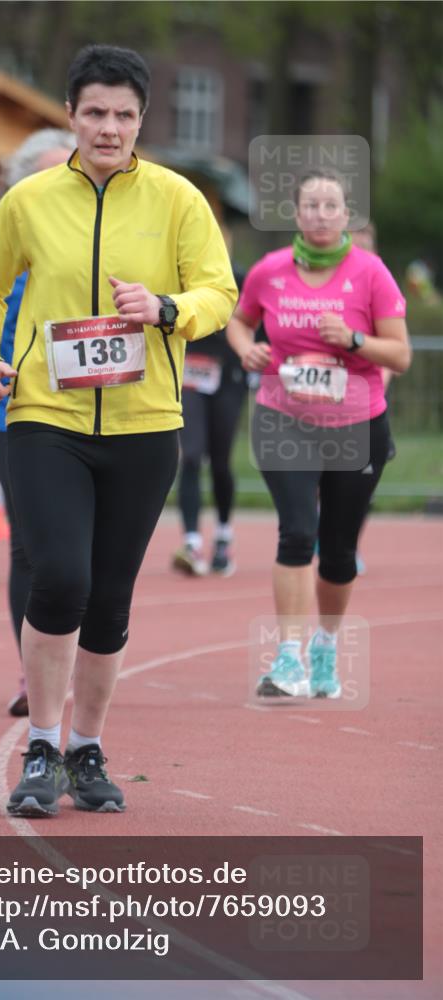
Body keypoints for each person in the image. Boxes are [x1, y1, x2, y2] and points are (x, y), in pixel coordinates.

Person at [0, 43, 237, 816]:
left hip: (145, 423)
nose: (108, 128)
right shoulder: (30, 200)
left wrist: (169, 310)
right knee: (59, 577)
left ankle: (87, 749)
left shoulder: (179, 199)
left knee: (110, 599)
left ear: (140, 119)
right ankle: (41, 746)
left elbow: (220, 291)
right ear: (71, 116)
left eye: (123, 115)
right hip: (46, 415)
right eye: (94, 113)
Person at [227, 169, 410, 699]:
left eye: (332, 205)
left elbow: (399, 353)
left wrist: (354, 339)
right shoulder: (270, 270)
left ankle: (326, 644)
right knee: (296, 532)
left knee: (337, 550)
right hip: (284, 418)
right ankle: (288, 658)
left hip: (357, 425)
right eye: (312, 205)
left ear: (346, 214)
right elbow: (240, 320)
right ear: (297, 214)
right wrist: (246, 349)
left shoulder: (371, 273)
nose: (322, 214)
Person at [0, 128, 77, 717]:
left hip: (87, 406)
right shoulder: (2, 240)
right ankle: (31, 671)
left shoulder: (90, 238)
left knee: (81, 551)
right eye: (37, 173)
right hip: (9, 408)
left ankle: (82, 656)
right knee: (29, 548)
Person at [171, 228, 246, 577]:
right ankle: (191, 542)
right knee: (191, 455)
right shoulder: (178, 277)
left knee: (219, 461)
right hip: (190, 378)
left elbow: (255, 323)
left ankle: (223, 535)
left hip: (229, 378)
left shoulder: (241, 279)